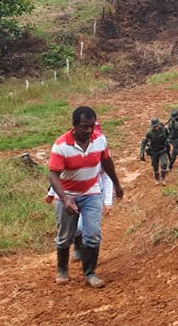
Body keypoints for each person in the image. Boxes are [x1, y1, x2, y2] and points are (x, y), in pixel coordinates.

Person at [48, 106, 123, 288]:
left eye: (91, 126)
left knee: (93, 234)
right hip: (68, 194)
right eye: (84, 126)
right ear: (74, 126)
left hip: (91, 193)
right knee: (65, 235)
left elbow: (107, 162)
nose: (88, 130)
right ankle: (62, 270)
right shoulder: (61, 145)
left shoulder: (100, 140)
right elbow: (53, 175)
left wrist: (117, 185)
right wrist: (65, 199)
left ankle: (90, 273)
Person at [46, 157, 114, 262]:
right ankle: (78, 243)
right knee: (73, 227)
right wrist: (51, 193)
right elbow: (60, 176)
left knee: (89, 228)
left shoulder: (98, 152)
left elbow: (106, 177)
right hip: (70, 196)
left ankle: (89, 263)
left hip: (94, 195)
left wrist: (108, 201)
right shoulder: (68, 153)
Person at [139, 118, 171, 184]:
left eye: (157, 125)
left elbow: (169, 136)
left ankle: (163, 178)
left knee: (164, 163)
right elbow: (143, 142)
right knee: (155, 166)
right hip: (154, 151)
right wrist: (141, 153)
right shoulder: (149, 133)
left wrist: (168, 140)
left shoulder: (164, 129)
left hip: (163, 150)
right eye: (155, 126)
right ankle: (157, 179)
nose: (157, 127)